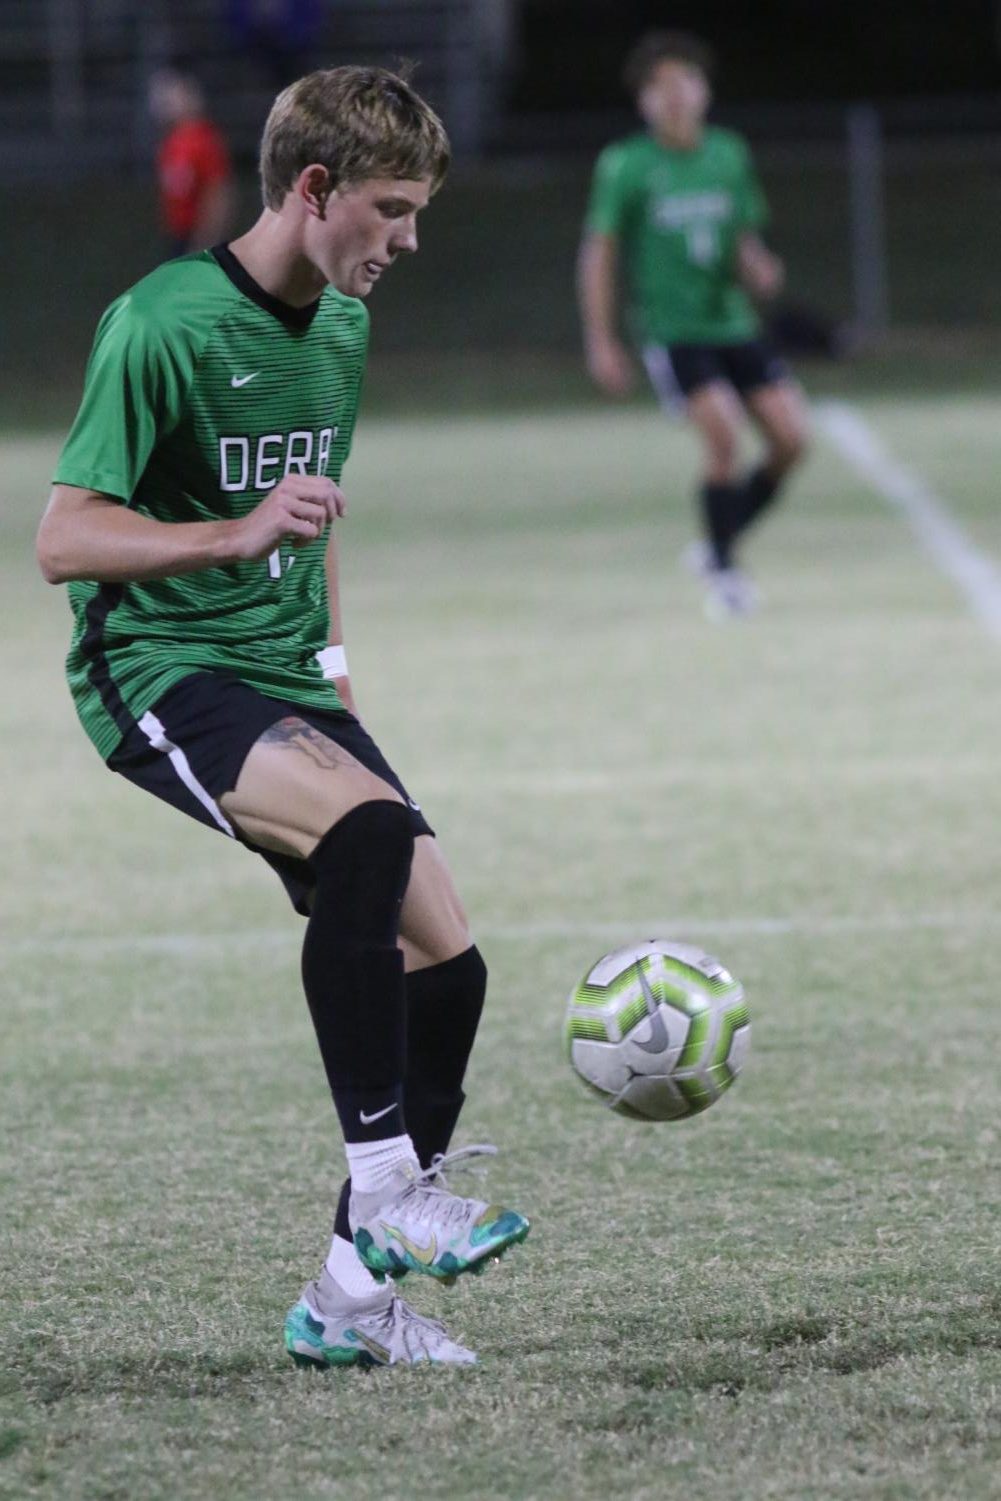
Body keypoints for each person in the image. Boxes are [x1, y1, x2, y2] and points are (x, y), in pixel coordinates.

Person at [36, 65, 529, 1370]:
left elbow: (309, 523)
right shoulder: (159, 323)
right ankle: (387, 1189)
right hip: (159, 672)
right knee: (367, 841)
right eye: (393, 208)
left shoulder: (346, 331)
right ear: (314, 191)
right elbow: (62, 539)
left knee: (450, 964)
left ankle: (345, 1305)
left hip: (285, 675)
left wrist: (335, 668)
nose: (408, 240)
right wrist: (231, 533)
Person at [578, 31, 810, 619]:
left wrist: (757, 264)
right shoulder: (627, 164)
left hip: (732, 322)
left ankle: (715, 542)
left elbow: (741, 236)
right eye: (658, 87)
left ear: (704, 90)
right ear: (643, 102)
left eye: (684, 81)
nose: (674, 95)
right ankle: (727, 575)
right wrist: (602, 339)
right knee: (725, 437)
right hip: (673, 331)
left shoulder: (728, 153)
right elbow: (599, 253)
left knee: (791, 440)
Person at [150, 64, 235, 258]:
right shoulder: (170, 142)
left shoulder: (204, 140)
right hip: (177, 235)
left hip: (196, 236)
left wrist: (206, 240)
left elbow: (218, 193)